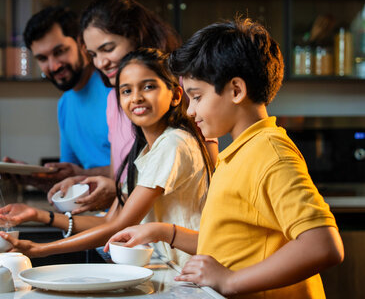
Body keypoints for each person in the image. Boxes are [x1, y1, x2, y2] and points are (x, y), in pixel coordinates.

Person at [105, 19, 344, 298]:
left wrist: (230, 280)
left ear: (236, 91)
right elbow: (231, 245)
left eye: (196, 97)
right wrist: (163, 232)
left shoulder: (271, 154)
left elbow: (323, 245)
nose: (191, 111)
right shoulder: (238, 152)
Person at [0, 48, 212, 265]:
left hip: (193, 274)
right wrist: (36, 214)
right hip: (178, 269)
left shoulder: (174, 143)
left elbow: (119, 226)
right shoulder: (148, 150)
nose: (136, 98)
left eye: (149, 86)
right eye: (126, 90)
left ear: (175, 95)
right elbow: (109, 220)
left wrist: (40, 249)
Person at [47, 0, 218, 213]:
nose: (101, 62)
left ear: (135, 36)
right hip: (131, 237)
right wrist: (84, 180)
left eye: (108, 49)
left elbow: (206, 173)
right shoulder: (113, 99)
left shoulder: (185, 88)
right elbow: (123, 173)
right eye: (93, 54)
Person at [8, 6, 111, 191]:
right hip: (96, 213)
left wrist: (80, 175)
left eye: (60, 51)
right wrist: (34, 178)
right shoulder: (65, 104)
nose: (53, 66)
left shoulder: (116, 88)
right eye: (42, 58)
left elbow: (143, 169)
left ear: (82, 43)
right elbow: (69, 177)